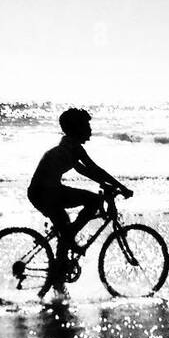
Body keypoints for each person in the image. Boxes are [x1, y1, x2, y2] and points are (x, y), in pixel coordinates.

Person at [28, 108, 133, 286]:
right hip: (46, 192)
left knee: (65, 230)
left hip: (42, 192)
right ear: (78, 129)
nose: (90, 129)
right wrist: (121, 187)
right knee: (93, 201)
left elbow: (86, 171)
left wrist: (107, 184)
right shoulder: (74, 148)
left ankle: (58, 275)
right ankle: (68, 244)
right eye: (87, 125)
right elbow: (95, 169)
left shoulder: (67, 147)